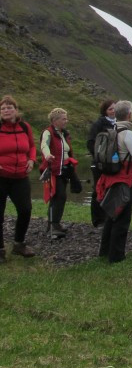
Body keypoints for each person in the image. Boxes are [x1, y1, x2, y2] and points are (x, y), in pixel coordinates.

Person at [95, 100, 132, 263]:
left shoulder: (112, 129)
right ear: (129, 114)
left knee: (112, 214)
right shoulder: (128, 133)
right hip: (125, 178)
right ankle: (116, 255)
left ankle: (104, 251)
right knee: (122, 218)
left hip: (111, 176)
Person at [0, 95, 37, 260]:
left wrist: (31, 159)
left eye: (9, 107)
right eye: (3, 108)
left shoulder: (24, 126)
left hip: (20, 176)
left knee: (25, 209)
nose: (6, 110)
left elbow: (32, 146)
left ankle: (18, 244)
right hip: (1, 177)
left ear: (16, 110)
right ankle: (0, 250)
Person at [40, 107, 79, 239]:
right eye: (63, 119)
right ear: (55, 120)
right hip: (53, 170)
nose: (66, 121)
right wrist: (47, 155)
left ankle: (55, 223)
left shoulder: (64, 134)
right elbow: (44, 145)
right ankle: (53, 225)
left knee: (60, 196)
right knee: (58, 195)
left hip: (64, 170)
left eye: (66, 118)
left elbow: (66, 150)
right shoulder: (48, 132)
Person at [86, 99, 116, 227]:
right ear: (105, 111)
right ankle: (98, 219)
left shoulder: (119, 123)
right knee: (98, 190)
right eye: (110, 109)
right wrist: (99, 157)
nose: (113, 111)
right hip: (100, 163)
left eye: (115, 108)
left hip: (114, 163)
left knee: (113, 190)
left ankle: (110, 217)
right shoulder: (99, 124)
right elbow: (90, 142)